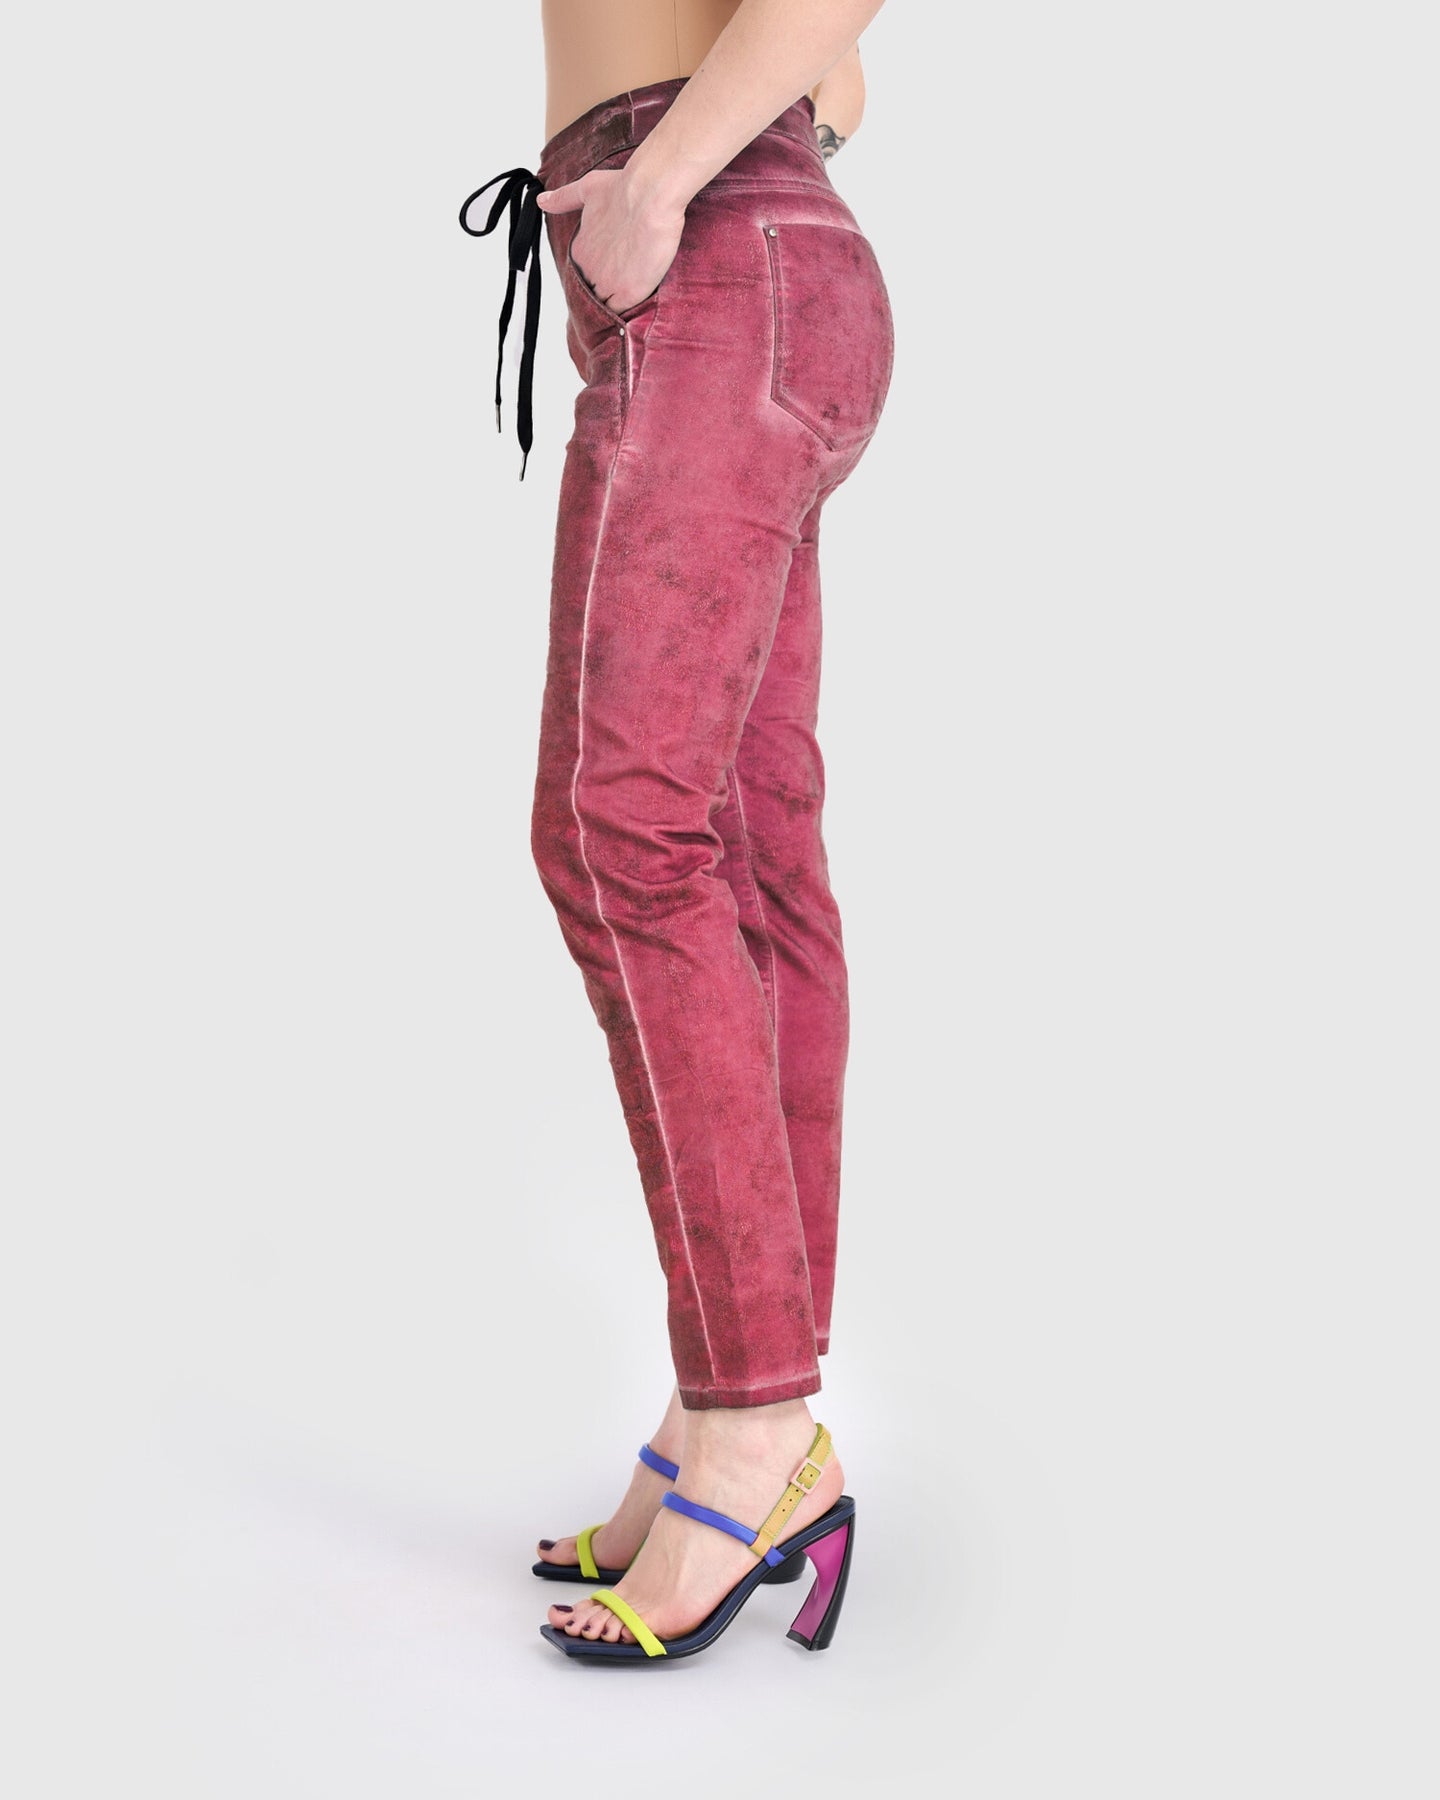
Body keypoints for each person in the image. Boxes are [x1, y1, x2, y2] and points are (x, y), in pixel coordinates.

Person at [459, 0, 893, 1661]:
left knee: (622, 832)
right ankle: (744, 1408)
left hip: (711, 254)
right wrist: (710, 165)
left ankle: (754, 1420)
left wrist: (660, 182)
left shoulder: (679, 196)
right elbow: (840, 85)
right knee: (749, 859)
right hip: (765, 255)